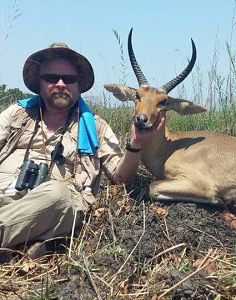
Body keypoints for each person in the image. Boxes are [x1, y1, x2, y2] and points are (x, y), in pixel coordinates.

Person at [0, 42, 163, 259]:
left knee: (58, 196)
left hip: (51, 206)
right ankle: (18, 245)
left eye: (69, 79)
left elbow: (121, 177)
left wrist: (136, 144)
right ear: (40, 83)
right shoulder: (17, 114)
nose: (60, 84)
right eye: (51, 78)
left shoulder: (95, 127)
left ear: (78, 85)